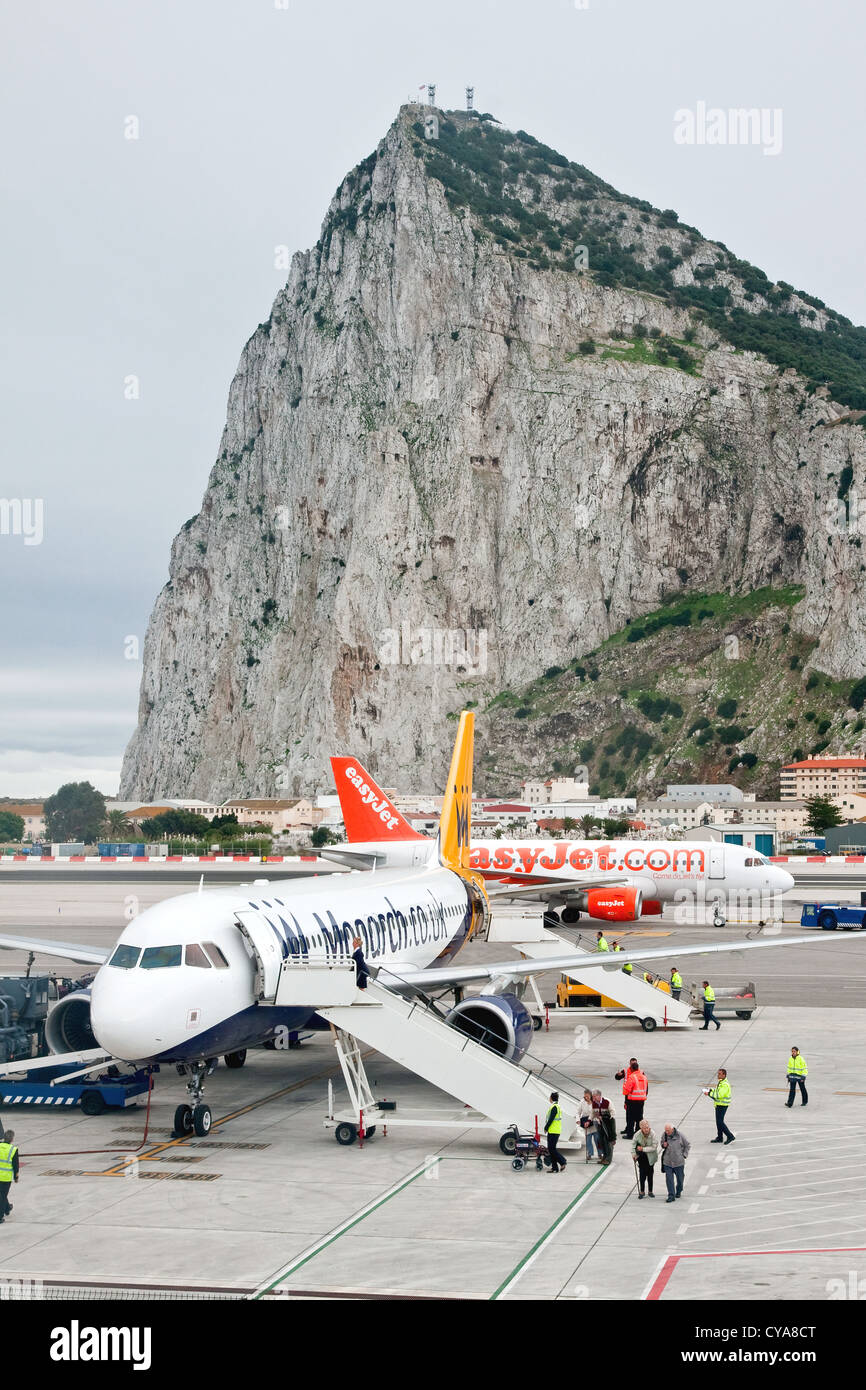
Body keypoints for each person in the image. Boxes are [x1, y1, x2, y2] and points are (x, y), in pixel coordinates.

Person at [660, 1123, 690, 1202]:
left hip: (678, 1162)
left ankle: (679, 1190)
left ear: (673, 1129)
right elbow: (662, 1143)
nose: (667, 1132)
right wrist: (663, 1145)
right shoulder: (664, 1135)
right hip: (668, 1162)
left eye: (668, 1131)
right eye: (666, 1130)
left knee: (680, 1180)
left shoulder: (680, 1135)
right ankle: (671, 1195)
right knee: (669, 1179)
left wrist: (684, 1155)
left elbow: (687, 1145)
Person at [631, 1119, 658, 1199]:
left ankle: (650, 1191)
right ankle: (642, 1191)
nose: (646, 1129)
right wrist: (634, 1154)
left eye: (647, 1127)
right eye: (644, 1128)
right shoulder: (637, 1134)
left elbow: (654, 1147)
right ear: (641, 1128)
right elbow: (633, 1145)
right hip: (641, 1157)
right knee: (642, 1175)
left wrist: (642, 1149)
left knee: (650, 1175)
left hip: (651, 1157)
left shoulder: (653, 1133)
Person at [706, 1068, 735, 1143]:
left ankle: (730, 1136)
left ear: (724, 1075)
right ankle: (720, 1137)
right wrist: (711, 1091)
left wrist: (709, 1094)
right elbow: (717, 1091)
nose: (718, 1075)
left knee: (720, 1122)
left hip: (722, 1105)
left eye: (719, 1074)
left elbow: (719, 1095)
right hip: (719, 1104)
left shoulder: (724, 1084)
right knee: (718, 1122)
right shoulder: (721, 1082)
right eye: (718, 1073)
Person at [621, 1060, 648, 1139]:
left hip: (632, 1101)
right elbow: (646, 1089)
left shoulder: (631, 1077)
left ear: (632, 1069)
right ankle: (639, 1133)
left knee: (630, 1118)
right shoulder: (644, 1077)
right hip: (641, 1101)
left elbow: (626, 1090)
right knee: (639, 1118)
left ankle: (630, 1134)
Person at [544, 1092, 566, 1173]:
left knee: (552, 1149)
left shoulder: (554, 1107)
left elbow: (551, 1119)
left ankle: (562, 1162)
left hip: (553, 1131)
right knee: (551, 1149)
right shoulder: (557, 1106)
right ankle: (554, 1168)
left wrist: (546, 1128)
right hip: (554, 1130)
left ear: (551, 1098)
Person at [591, 1090, 615, 1165]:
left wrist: (604, 1118)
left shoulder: (607, 1102)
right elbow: (592, 1113)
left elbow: (613, 1113)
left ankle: (608, 1159)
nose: (593, 1098)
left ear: (599, 1095)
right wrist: (589, 1120)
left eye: (594, 1096)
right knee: (601, 1141)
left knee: (608, 1141)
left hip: (608, 1124)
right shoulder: (594, 1103)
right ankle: (604, 1157)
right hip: (599, 1124)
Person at [0, 1129, 18, 1223]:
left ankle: (7, 1208)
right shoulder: (13, 1149)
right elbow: (16, 1165)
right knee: (2, 1195)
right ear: (12, 1139)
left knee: (2, 1194)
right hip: (5, 1177)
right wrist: (16, 1177)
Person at [577, 1088, 599, 1163]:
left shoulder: (595, 1101)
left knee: (597, 1139)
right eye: (585, 1096)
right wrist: (578, 1119)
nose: (586, 1098)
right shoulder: (582, 1102)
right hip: (586, 1123)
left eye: (587, 1096)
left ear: (591, 1096)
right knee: (588, 1140)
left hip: (595, 1122)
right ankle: (589, 1154)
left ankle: (600, 1153)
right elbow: (578, 1112)